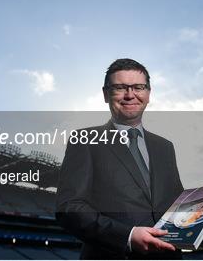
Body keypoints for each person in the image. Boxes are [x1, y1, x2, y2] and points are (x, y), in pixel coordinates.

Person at [56, 58, 184, 259]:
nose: (130, 95)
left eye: (138, 87)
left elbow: (175, 204)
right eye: (120, 88)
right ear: (106, 94)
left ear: (148, 94)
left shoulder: (165, 147)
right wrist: (128, 236)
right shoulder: (85, 140)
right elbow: (70, 208)